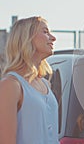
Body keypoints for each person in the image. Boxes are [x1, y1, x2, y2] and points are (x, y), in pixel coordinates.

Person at [0, 16, 58, 144]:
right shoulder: (10, 85)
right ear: (27, 38)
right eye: (45, 31)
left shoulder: (45, 84)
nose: (53, 38)